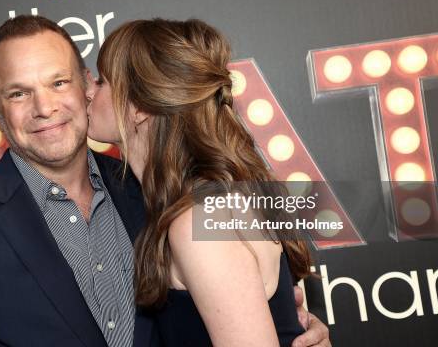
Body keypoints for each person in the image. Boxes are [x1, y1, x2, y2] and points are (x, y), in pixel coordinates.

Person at [0, 15, 330, 347]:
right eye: (19, 93)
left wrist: (298, 331)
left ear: (86, 86)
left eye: (59, 82)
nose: (44, 107)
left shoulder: (160, 198)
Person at [86, 18, 318, 347]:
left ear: (137, 107)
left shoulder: (198, 217)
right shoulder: (201, 205)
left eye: (102, 81)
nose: (89, 92)